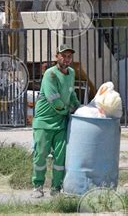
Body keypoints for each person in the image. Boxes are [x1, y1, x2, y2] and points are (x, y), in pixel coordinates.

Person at [31, 44, 81, 198]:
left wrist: (78, 107)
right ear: (57, 56)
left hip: (61, 122)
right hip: (44, 122)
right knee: (41, 155)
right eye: (63, 56)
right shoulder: (50, 74)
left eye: (69, 56)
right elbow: (54, 100)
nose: (66, 59)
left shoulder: (71, 73)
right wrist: (68, 110)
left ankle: (56, 189)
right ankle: (38, 187)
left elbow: (71, 93)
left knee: (61, 157)